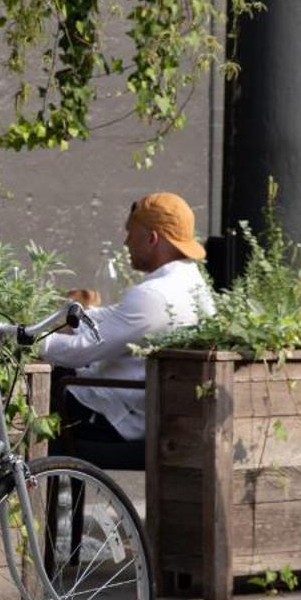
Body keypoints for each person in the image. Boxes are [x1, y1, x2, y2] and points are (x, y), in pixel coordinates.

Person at [38, 193, 211, 450]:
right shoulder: (193, 285)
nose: (126, 242)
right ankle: (62, 486)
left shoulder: (155, 294)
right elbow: (115, 321)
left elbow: (80, 352)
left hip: (121, 419)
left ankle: (34, 482)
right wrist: (74, 318)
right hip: (152, 411)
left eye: (131, 233)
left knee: (34, 389)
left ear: (152, 238)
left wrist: (27, 341)